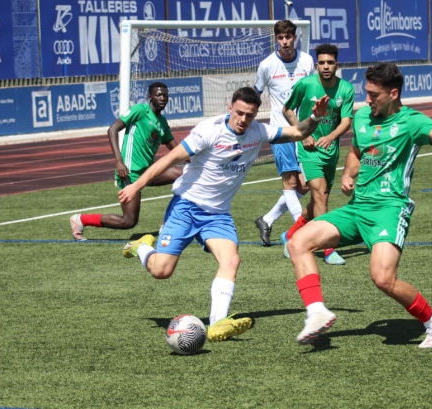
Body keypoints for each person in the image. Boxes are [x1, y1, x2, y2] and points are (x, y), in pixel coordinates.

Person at [287, 63, 432, 348]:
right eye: (366, 92)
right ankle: (317, 312)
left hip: (389, 209)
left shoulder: (411, 121)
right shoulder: (363, 116)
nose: (367, 100)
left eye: (374, 94)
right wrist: (346, 173)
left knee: (382, 278)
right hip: (357, 208)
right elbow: (357, 149)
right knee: (298, 242)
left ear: (393, 94)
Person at [118, 87, 329, 342]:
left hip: (217, 214)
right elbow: (170, 159)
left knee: (231, 261)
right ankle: (142, 246)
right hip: (186, 207)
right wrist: (136, 185)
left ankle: (217, 322)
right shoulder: (209, 130)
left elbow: (298, 132)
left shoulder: (258, 131)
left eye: (249, 115)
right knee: (161, 271)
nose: (243, 120)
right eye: (239, 113)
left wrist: (316, 118)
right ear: (230, 107)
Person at [69, 82, 182, 241]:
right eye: (158, 95)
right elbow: (112, 129)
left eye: (165, 95)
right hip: (129, 172)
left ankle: (168, 221)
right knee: (128, 221)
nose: (163, 98)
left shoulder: (162, 122)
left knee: (184, 174)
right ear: (150, 97)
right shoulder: (140, 111)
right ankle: (80, 220)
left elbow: (178, 152)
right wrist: (119, 162)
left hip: (148, 171)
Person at [280, 43, 354, 266]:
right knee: (320, 193)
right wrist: (303, 133)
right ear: (316, 65)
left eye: (330, 62)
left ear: (336, 65)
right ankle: (328, 248)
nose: (325, 66)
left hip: (330, 151)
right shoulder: (305, 85)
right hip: (308, 149)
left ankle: (291, 235)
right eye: (321, 62)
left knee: (318, 200)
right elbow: (287, 109)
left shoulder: (346, 89)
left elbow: (346, 120)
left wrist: (331, 137)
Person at [253, 20, 315, 246]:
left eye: (289, 37)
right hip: (281, 131)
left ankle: (266, 220)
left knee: (305, 186)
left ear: (295, 37)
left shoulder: (307, 60)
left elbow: (313, 91)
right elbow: (255, 97)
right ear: (276, 39)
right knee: (289, 183)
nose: (285, 41)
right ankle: (302, 231)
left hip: (305, 129)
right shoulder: (267, 65)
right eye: (281, 37)